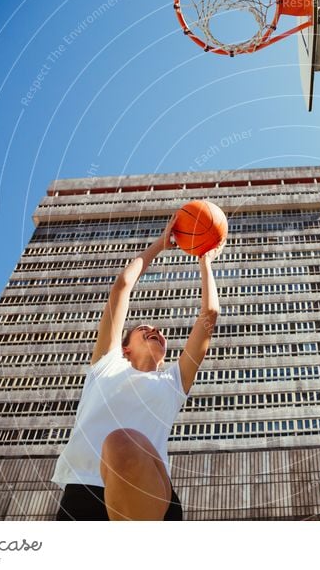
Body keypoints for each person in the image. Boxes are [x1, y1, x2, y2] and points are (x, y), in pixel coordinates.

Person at [52, 213, 221, 520]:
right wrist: (160, 244)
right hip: (83, 492)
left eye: (160, 332)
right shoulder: (107, 364)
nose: (156, 330)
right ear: (124, 347)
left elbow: (209, 314)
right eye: (145, 328)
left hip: (147, 495)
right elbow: (121, 288)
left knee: (121, 443)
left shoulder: (172, 382)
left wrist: (204, 258)